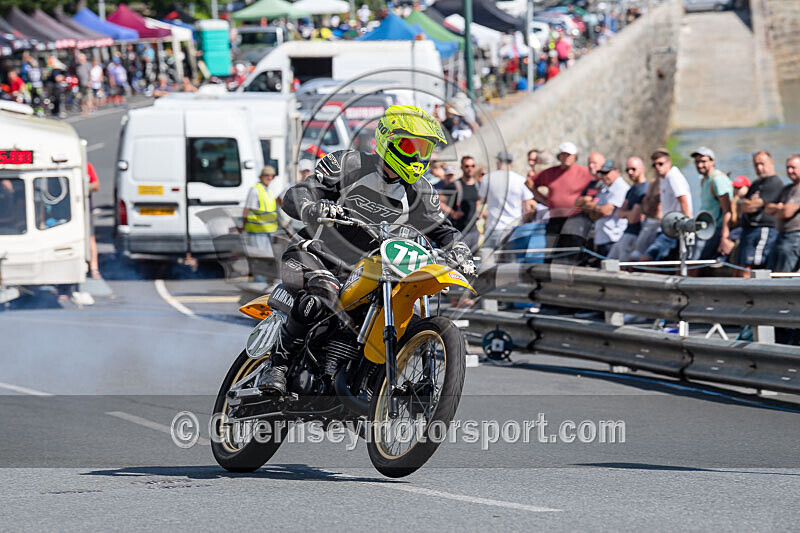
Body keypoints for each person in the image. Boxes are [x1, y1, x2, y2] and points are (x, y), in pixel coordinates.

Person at [257, 105, 475, 394]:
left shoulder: (420, 191)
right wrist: (311, 205)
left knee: (397, 307)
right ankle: (278, 366)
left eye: (425, 149)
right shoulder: (349, 164)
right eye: (411, 145)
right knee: (323, 294)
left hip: (370, 270)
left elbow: (441, 228)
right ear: (388, 139)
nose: (418, 156)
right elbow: (299, 192)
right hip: (315, 254)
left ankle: (369, 385)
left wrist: (459, 250)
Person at [533, 141, 593, 258]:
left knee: (572, 251)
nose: (566, 158)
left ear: (575, 157)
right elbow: (530, 182)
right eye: (563, 155)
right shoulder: (551, 172)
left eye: (569, 155)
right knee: (551, 251)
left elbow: (596, 186)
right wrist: (544, 199)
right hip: (555, 218)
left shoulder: (584, 172)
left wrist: (588, 200)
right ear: (559, 156)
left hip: (575, 218)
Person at [734, 151, 783, 277]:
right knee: (739, 267)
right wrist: (749, 203)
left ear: (771, 163)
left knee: (749, 267)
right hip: (748, 230)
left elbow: (750, 206)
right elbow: (742, 206)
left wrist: (751, 203)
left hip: (763, 229)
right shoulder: (756, 183)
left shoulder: (774, 183)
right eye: (756, 165)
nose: (759, 168)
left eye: (762, 164)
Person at [479, 151, 535, 253]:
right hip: (513, 228)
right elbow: (528, 207)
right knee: (511, 264)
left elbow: (481, 202)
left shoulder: (487, 179)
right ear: (512, 163)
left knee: (487, 264)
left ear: (498, 162)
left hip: (492, 228)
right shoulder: (520, 180)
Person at [642, 148, 693, 261]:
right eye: (654, 165)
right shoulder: (663, 178)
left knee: (647, 259)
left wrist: (688, 224)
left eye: (661, 164)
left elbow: (683, 199)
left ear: (668, 163)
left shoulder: (673, 176)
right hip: (667, 227)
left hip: (675, 228)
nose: (658, 167)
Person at [689, 146, 733, 263]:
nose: (699, 165)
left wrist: (724, 237)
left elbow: (727, 211)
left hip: (715, 229)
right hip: (704, 227)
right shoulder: (704, 179)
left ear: (712, 161)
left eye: (703, 161)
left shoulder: (718, 180)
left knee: (693, 262)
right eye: (697, 162)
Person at [583, 161, 630, 257]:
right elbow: (592, 213)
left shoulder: (620, 187)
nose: (604, 176)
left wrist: (591, 206)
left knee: (611, 270)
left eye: (606, 173)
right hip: (602, 238)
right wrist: (594, 209)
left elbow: (606, 211)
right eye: (602, 173)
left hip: (614, 238)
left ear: (616, 172)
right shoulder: (604, 187)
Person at [243, 165, 279, 282]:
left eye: (271, 176)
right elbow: (247, 209)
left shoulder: (268, 190)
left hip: (268, 231)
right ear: (261, 177)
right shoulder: (255, 190)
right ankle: (259, 283)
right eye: (267, 175)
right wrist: (242, 226)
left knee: (267, 259)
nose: (269, 178)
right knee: (259, 259)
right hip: (257, 231)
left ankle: (264, 283)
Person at [608, 157, 649, 260]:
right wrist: (629, 213)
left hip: (635, 235)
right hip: (626, 233)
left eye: (633, 169)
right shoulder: (631, 190)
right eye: (627, 170)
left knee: (623, 266)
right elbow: (619, 213)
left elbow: (633, 218)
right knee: (608, 262)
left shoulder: (645, 189)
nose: (630, 172)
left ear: (642, 168)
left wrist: (626, 214)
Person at [766, 155, 800, 273]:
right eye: (787, 168)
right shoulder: (787, 188)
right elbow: (767, 209)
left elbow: (787, 212)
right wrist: (778, 207)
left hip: (794, 238)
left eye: (793, 167)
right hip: (781, 235)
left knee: (783, 275)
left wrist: (778, 209)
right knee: (771, 272)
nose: (790, 171)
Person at [87, 162, 101, 279]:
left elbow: (96, 185)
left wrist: (83, 187)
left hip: (85, 210)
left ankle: (93, 268)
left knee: (90, 237)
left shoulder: (86, 166)